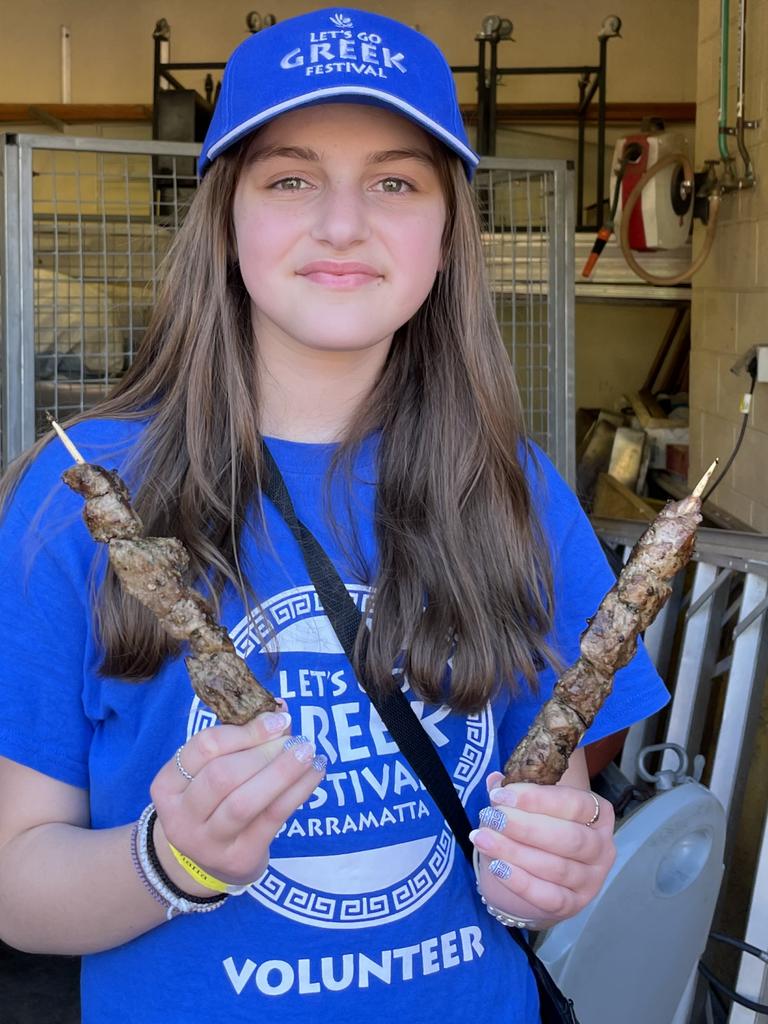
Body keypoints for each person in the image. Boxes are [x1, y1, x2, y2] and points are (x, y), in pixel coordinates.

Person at [0, 9, 669, 1022]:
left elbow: (549, 813)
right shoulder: (80, 495)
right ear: (227, 217)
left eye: (396, 181)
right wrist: (166, 857)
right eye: (291, 178)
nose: (344, 223)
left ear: (448, 233)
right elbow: (16, 886)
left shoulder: (520, 492)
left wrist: (560, 868)